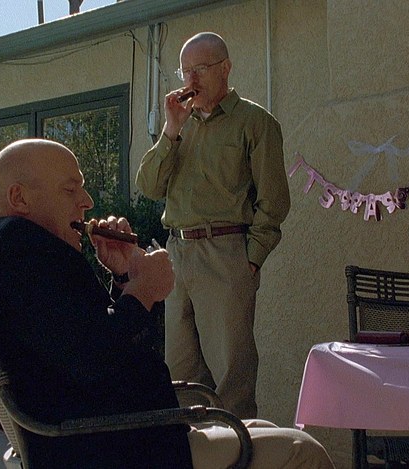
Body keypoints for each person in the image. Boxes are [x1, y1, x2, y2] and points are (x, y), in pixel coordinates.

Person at [0, 139, 334, 468]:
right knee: (302, 450)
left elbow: (83, 347)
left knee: (266, 429)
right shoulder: (23, 253)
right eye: (70, 189)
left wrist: (124, 278)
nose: (87, 201)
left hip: (124, 437)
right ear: (19, 198)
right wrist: (143, 291)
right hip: (120, 449)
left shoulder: (14, 251)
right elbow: (93, 361)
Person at [136, 32, 290, 419]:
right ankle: (194, 449)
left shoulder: (255, 122)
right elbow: (149, 187)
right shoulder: (180, 124)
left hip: (226, 254)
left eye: (200, 69)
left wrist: (249, 259)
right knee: (181, 375)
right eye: (185, 71)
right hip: (177, 255)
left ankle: (238, 448)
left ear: (225, 68)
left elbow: (274, 201)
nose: (190, 80)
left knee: (230, 378)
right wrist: (170, 131)